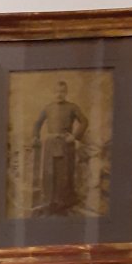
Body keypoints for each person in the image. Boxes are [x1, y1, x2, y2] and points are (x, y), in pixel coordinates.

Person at [32, 79, 89, 215]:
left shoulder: (72, 107)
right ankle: (49, 202)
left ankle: (64, 203)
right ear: (53, 92)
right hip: (50, 144)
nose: (59, 94)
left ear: (66, 92)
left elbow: (84, 121)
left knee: (64, 173)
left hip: (66, 144)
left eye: (62, 91)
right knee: (49, 173)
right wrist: (35, 136)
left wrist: (74, 136)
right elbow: (37, 123)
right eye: (57, 91)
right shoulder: (48, 108)